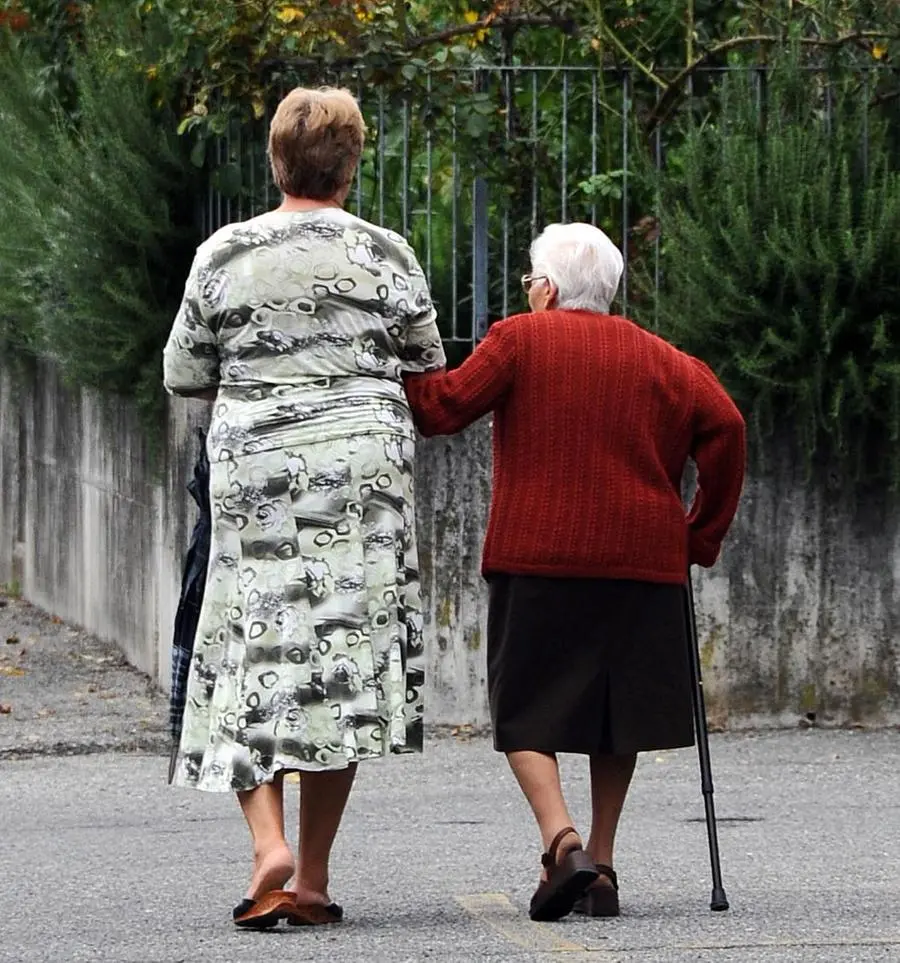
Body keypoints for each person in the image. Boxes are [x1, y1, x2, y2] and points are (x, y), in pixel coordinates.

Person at [404, 222, 746, 922]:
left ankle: (562, 843)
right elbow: (729, 429)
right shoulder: (666, 360)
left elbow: (439, 409)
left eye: (533, 278)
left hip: (539, 558)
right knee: (613, 718)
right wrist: (697, 535)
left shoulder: (520, 340)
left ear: (549, 288)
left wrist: (402, 354)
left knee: (522, 708)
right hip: (644, 566)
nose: (529, 289)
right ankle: (602, 864)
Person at [162, 86, 445, 929]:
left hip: (257, 469)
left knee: (246, 644)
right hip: (364, 468)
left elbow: (184, 371)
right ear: (351, 164)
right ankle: (313, 878)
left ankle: (266, 848)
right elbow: (426, 361)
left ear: (275, 161)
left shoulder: (225, 252)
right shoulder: (387, 253)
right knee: (341, 661)